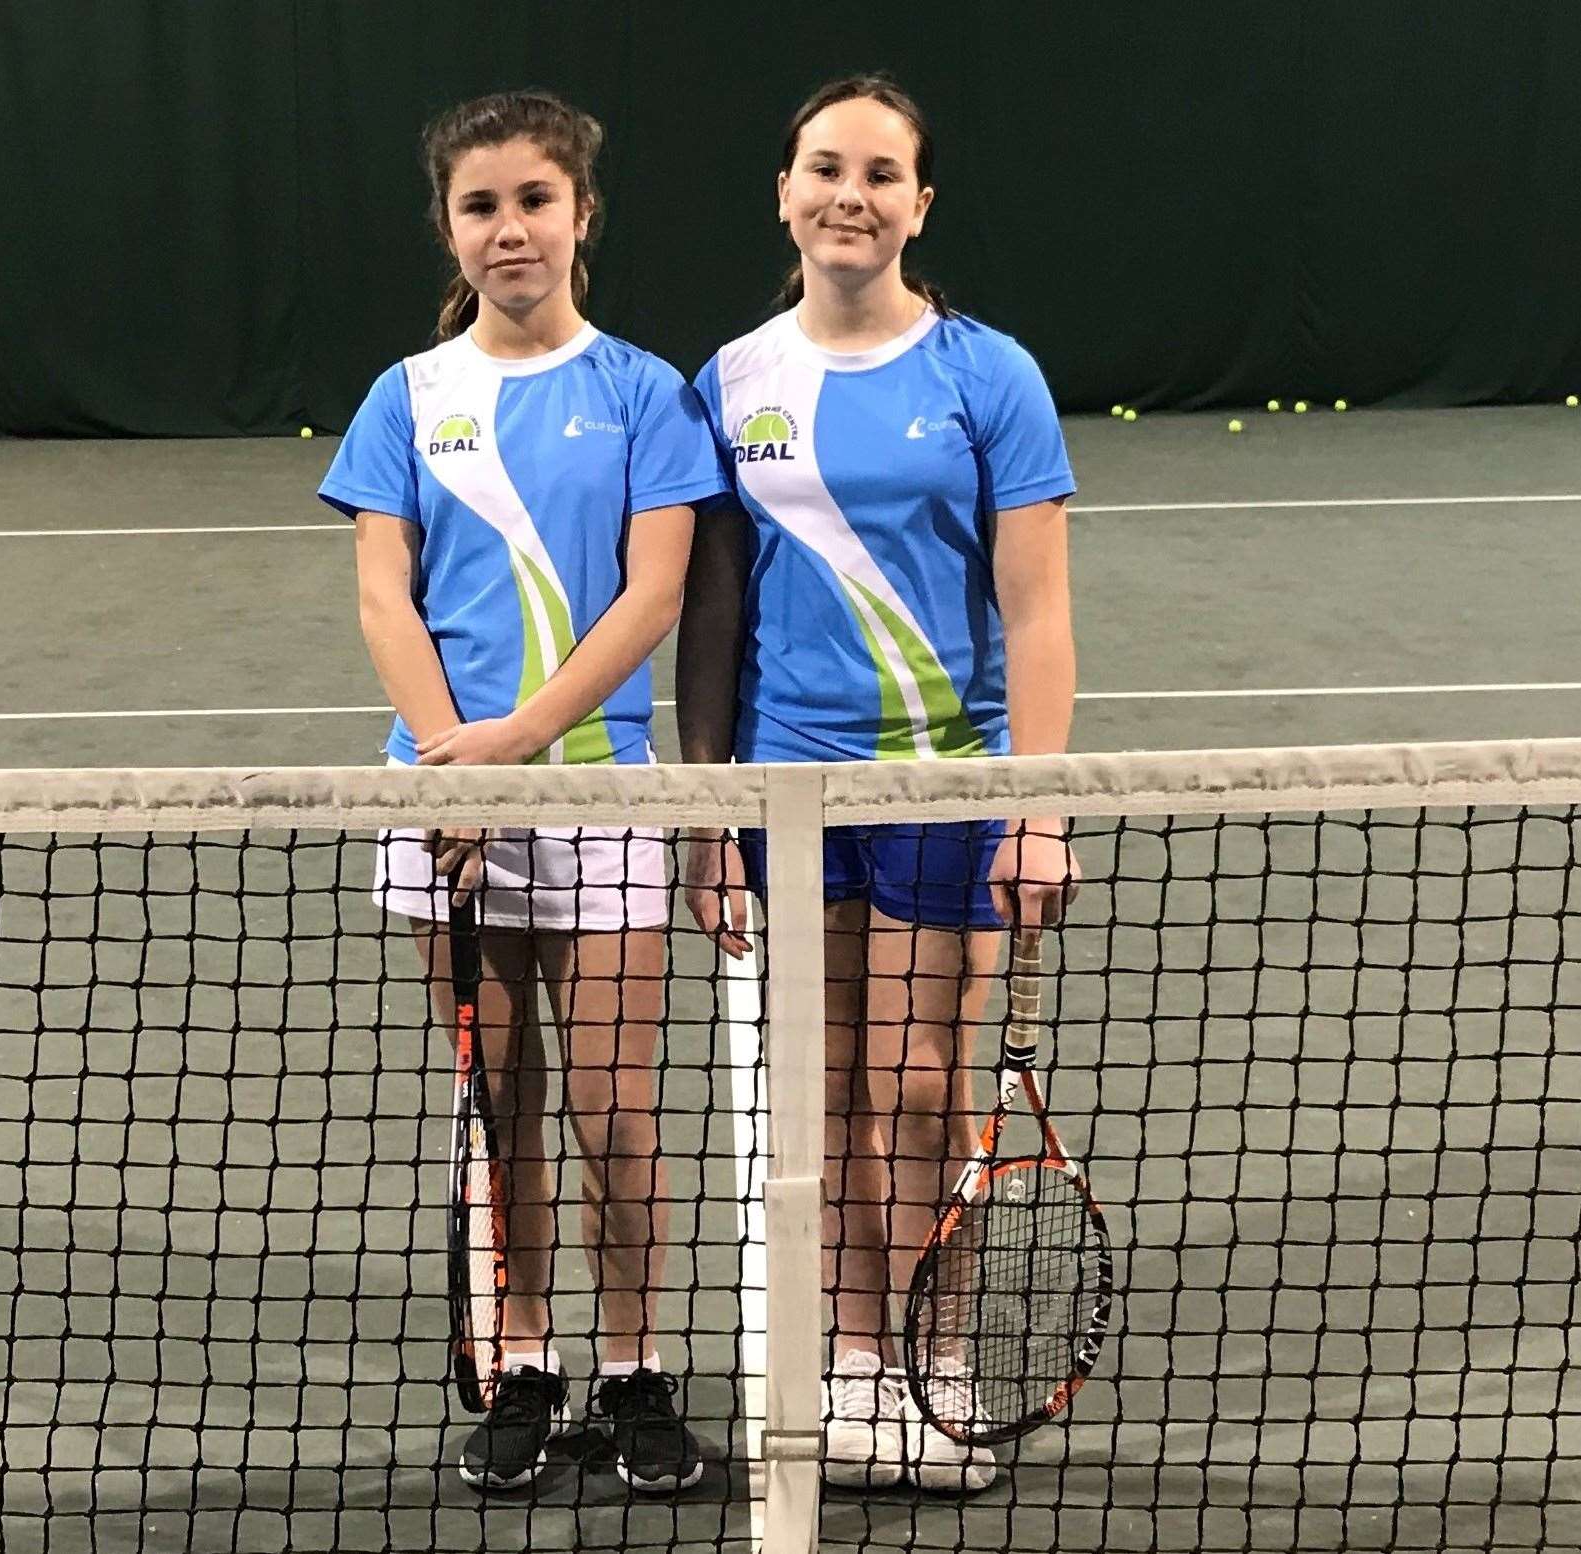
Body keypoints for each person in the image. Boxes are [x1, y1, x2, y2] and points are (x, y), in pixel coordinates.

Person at [318, 89, 729, 1495]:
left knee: (615, 1109)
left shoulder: (644, 392)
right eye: (480, 205)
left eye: (532, 201)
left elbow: (654, 591)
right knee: (502, 1100)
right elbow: (386, 596)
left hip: (602, 795)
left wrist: (518, 742)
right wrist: (451, 769)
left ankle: (633, 1366)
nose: (509, 230)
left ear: (581, 215)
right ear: (449, 223)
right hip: (449, 806)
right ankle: (527, 1360)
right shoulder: (405, 398)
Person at [677, 74, 1080, 1494]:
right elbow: (711, 622)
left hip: (944, 783)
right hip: (792, 797)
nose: (850, 194)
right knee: (824, 1088)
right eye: (824, 168)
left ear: (919, 203)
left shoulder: (988, 374)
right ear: (784, 193)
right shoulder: (728, 382)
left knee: (915, 1087)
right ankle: (853, 1363)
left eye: (880, 173)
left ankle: (933, 1359)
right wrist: (715, 816)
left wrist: (1036, 806)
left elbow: (1036, 613)